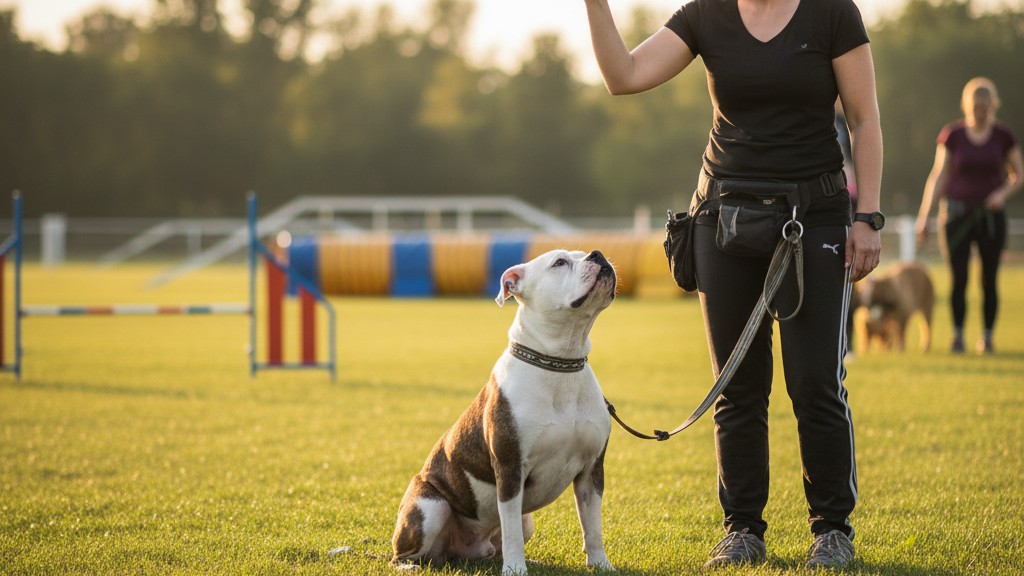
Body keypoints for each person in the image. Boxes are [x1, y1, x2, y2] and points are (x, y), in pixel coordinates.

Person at [581, 0, 883, 569]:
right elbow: (624, 77)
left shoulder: (832, 12)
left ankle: (832, 532)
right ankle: (742, 529)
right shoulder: (704, 13)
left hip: (813, 216)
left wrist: (866, 217)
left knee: (816, 383)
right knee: (737, 389)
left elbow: (865, 117)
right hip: (723, 218)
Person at [915, 77, 1022, 354]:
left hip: (990, 216)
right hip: (956, 216)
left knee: (989, 277)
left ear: (992, 106)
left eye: (985, 106)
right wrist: (924, 215)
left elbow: (1019, 176)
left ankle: (986, 336)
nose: (980, 111)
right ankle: (958, 335)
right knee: (958, 278)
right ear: (967, 106)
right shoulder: (953, 135)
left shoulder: (1003, 136)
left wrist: (1001, 194)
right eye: (976, 106)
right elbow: (938, 176)